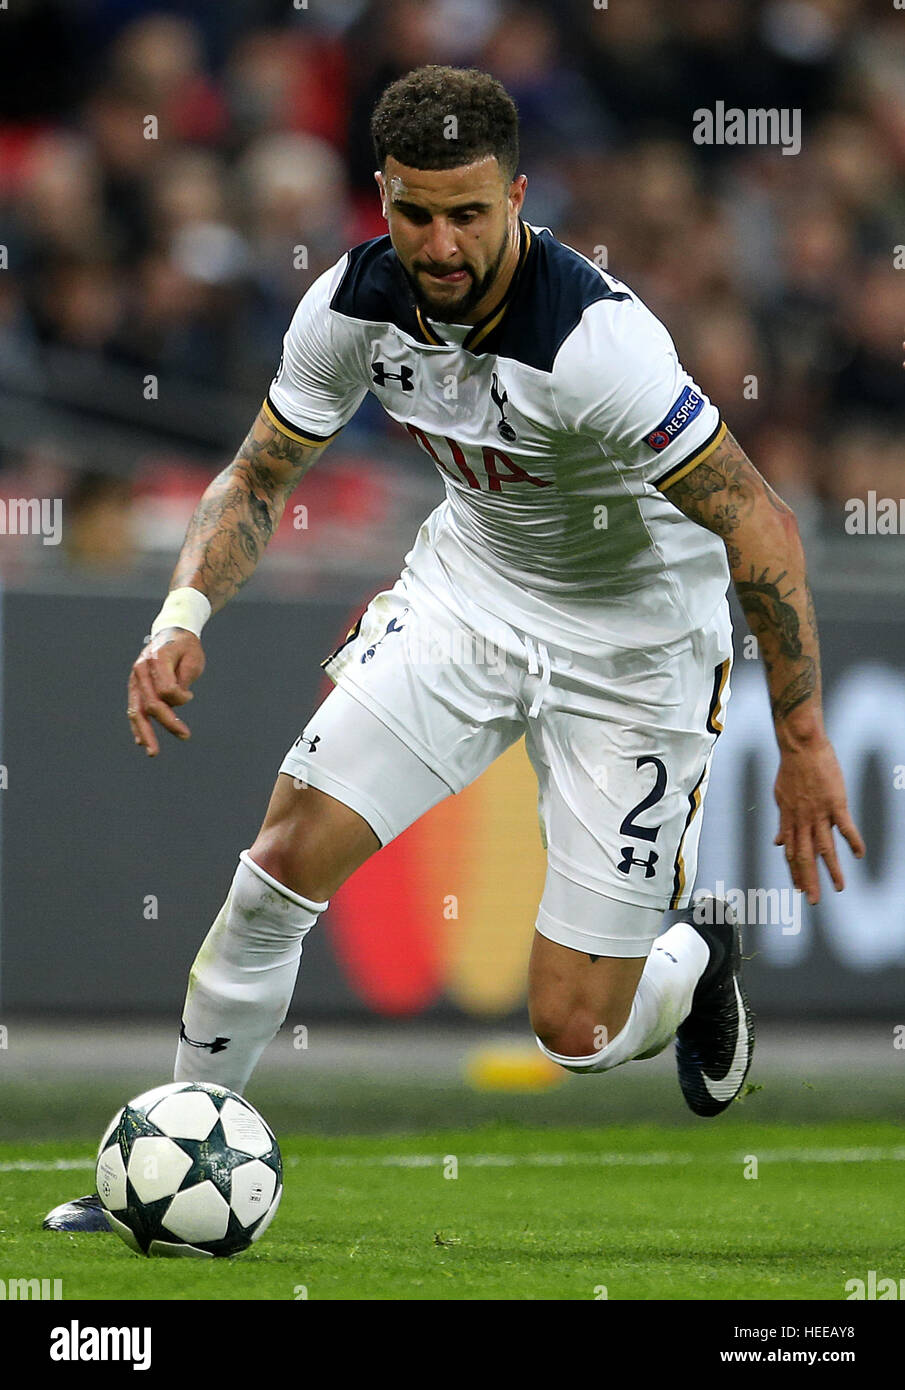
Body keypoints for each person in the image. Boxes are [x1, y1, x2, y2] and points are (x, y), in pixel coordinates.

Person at [45, 66, 864, 1233]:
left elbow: (759, 522)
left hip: (636, 649)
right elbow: (258, 477)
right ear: (380, 196)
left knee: (574, 1031)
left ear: (517, 196)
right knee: (279, 858)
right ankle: (178, 1158)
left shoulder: (592, 341)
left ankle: (695, 959)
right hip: (467, 596)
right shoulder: (348, 305)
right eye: (415, 212)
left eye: (468, 213)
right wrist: (179, 619)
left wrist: (799, 737)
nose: (440, 242)